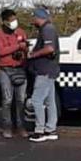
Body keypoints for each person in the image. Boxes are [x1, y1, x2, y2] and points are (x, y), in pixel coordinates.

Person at [0, 9, 29, 139]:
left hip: (20, 68)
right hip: (5, 69)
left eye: (15, 19)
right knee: (7, 100)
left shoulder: (21, 32)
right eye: (11, 20)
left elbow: (26, 47)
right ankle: (7, 126)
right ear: (4, 21)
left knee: (21, 99)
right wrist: (18, 46)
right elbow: (1, 51)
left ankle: (21, 126)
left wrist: (23, 48)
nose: (14, 22)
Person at [27, 8, 60, 143]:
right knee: (49, 101)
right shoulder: (48, 29)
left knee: (36, 100)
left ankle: (39, 130)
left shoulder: (47, 30)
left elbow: (50, 48)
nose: (33, 21)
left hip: (44, 70)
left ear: (38, 17)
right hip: (50, 70)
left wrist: (33, 54)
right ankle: (50, 129)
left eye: (34, 18)